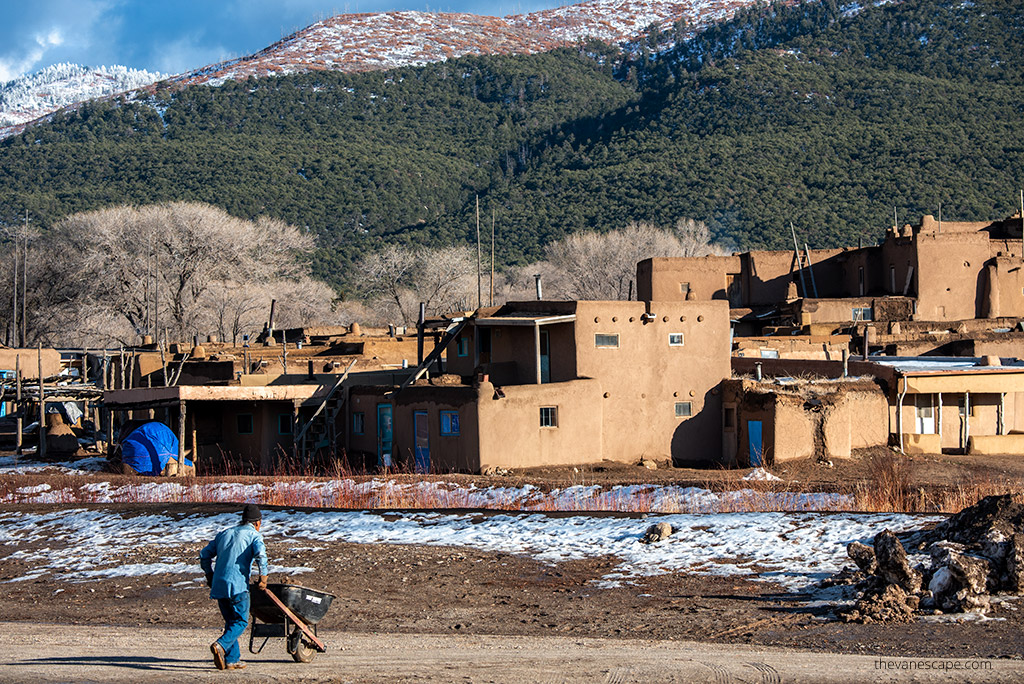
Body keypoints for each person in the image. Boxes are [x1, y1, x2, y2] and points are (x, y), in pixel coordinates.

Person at [199, 504, 269, 671]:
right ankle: (220, 645)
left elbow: (204, 554)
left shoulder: (224, 533)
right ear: (258, 523)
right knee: (241, 621)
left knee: (231, 621)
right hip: (238, 585)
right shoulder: (254, 535)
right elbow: (261, 555)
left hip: (219, 585)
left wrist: (210, 575)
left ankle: (232, 660)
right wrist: (263, 577)